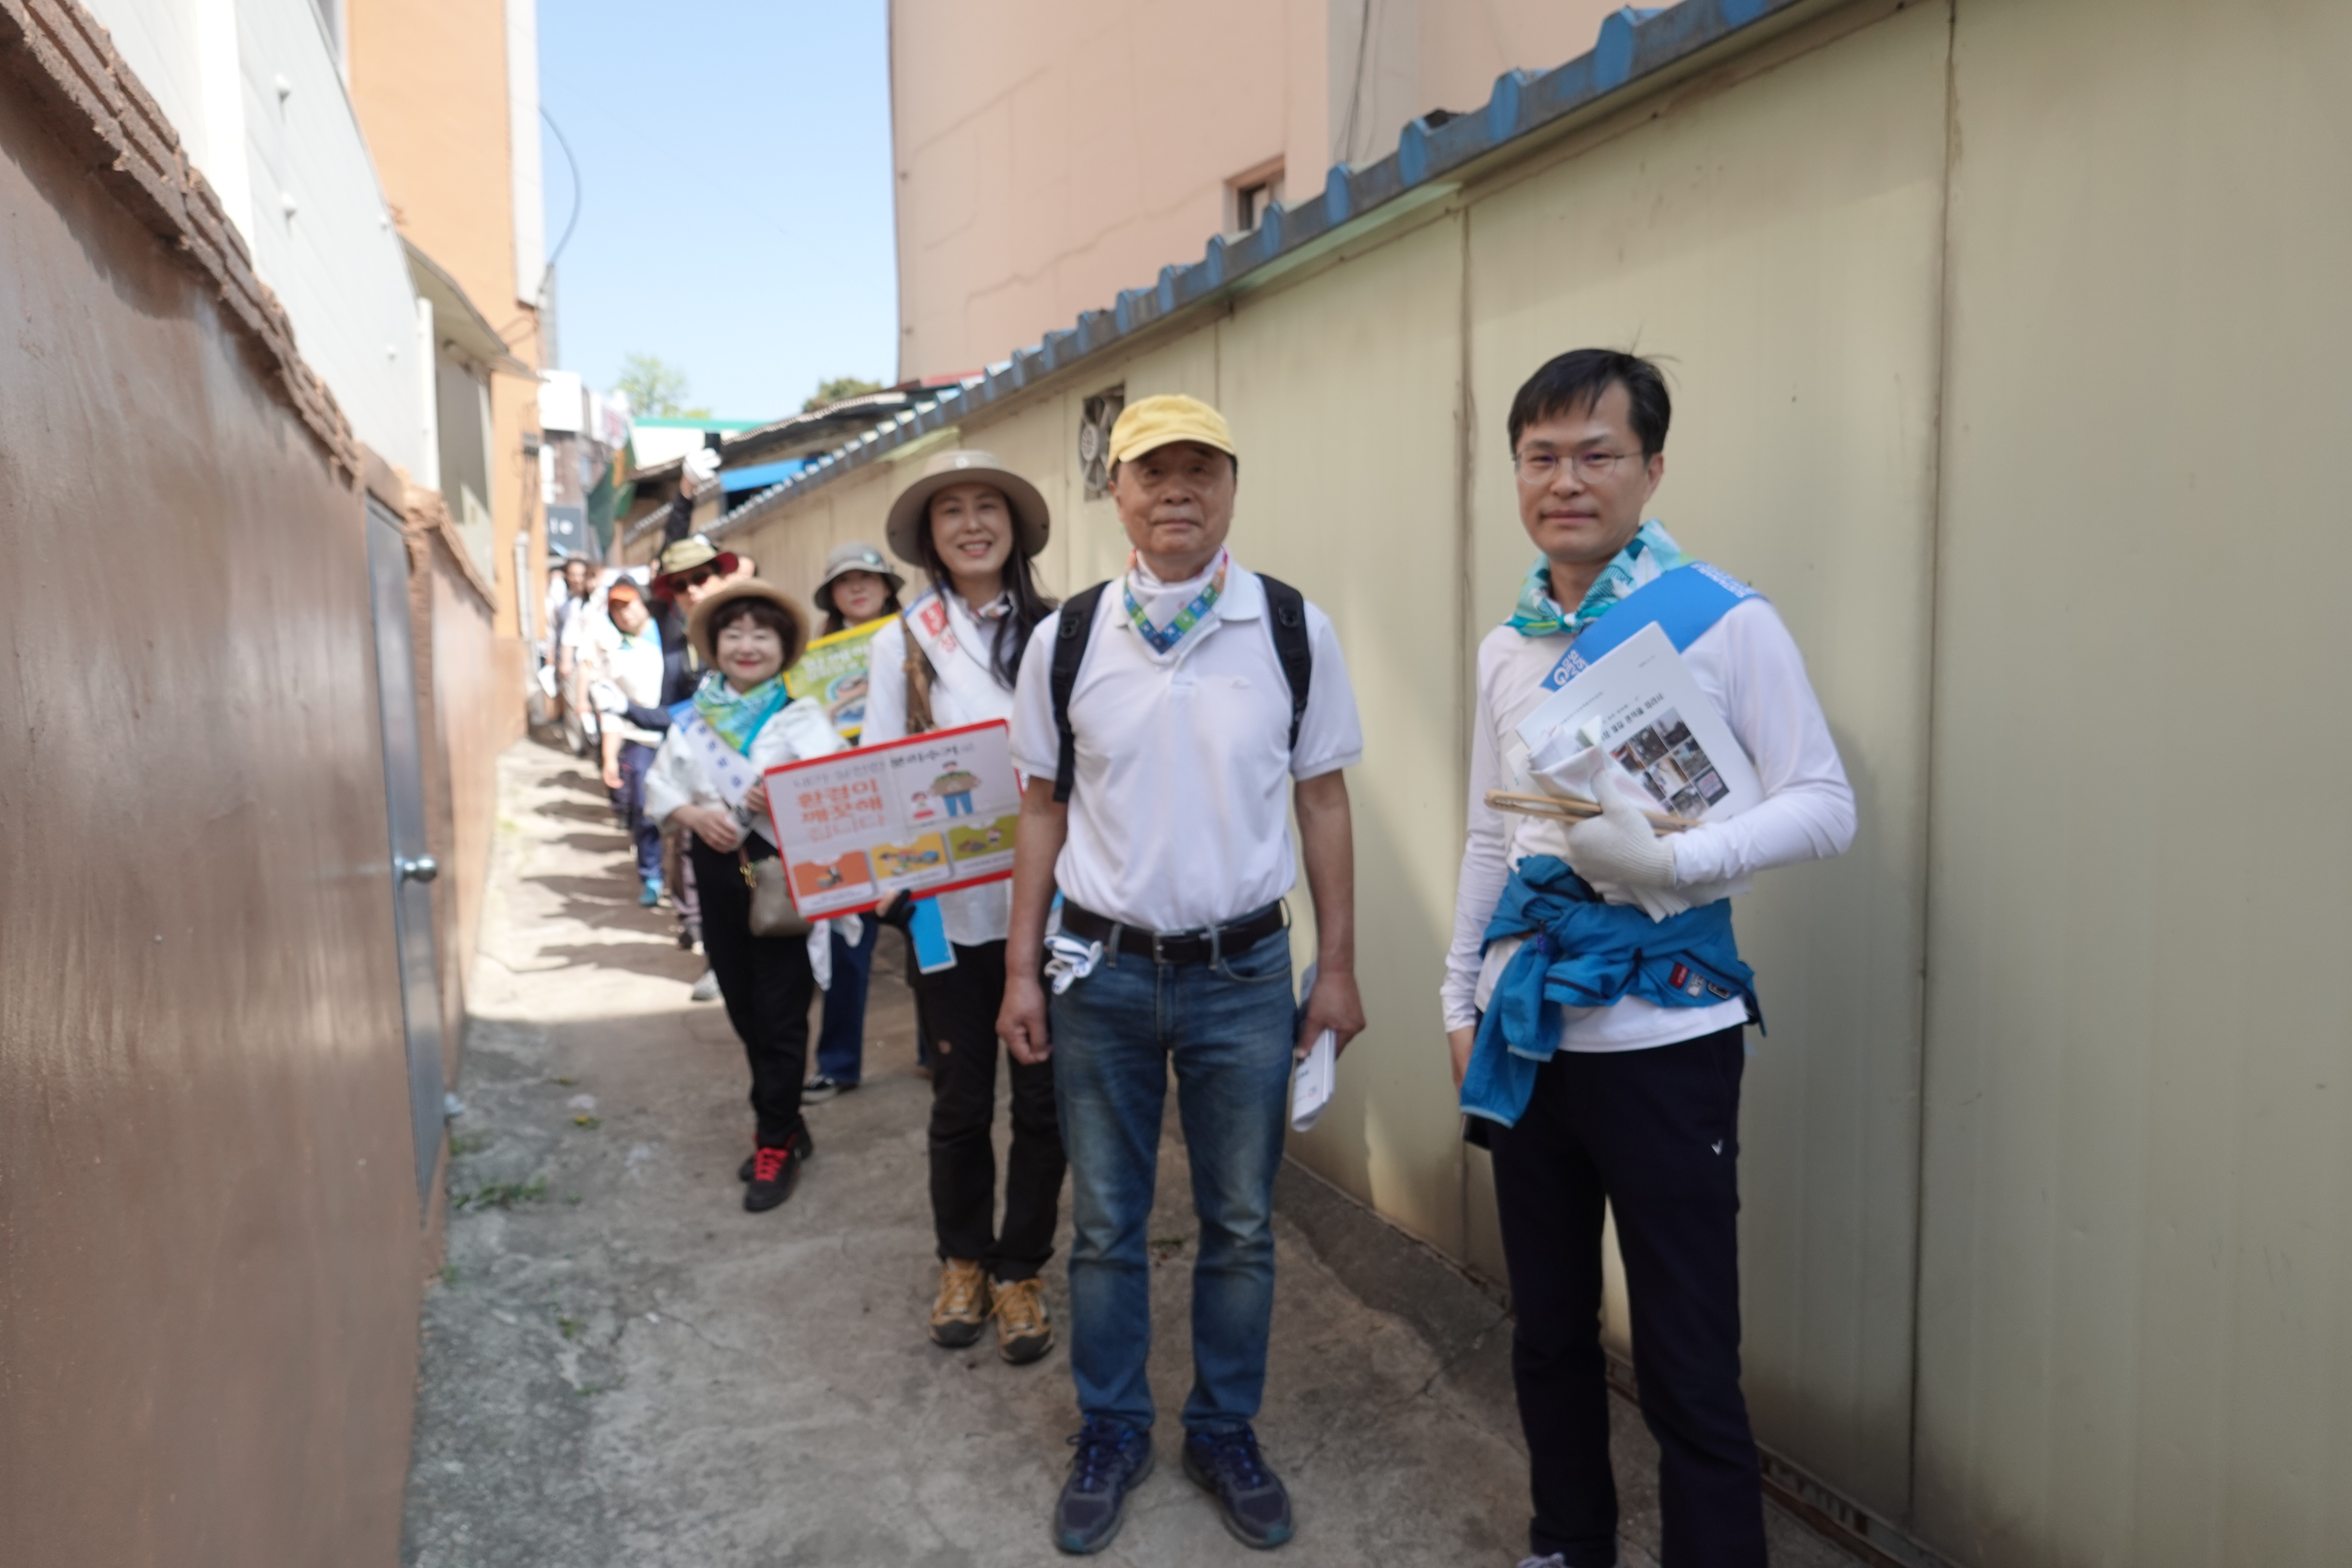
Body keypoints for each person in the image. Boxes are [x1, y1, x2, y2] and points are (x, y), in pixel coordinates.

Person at [1442, 351, 1855, 1568]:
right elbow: (1488, 835)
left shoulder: (1724, 621)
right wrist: (1457, 994)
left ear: (1652, 469)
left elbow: (1824, 804)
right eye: (1540, 457)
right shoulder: (1507, 647)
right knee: (1546, 1329)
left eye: (1596, 454)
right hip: (1526, 1028)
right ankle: (1567, 1540)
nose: (1565, 481)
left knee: (1685, 1354)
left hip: (1667, 1034)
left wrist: (1674, 860)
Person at [995, 396, 1366, 1555]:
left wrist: (1337, 967)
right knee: (1105, 1223)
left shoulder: (1290, 628)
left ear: (1232, 488)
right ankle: (1111, 1430)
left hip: (1243, 976)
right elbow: (1041, 810)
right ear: (1116, 494)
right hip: (1097, 973)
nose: (1176, 493)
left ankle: (1221, 1429)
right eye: (1152, 473)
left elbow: (1322, 800)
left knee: (1240, 1222)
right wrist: (1019, 972)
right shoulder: (1068, 640)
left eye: (1200, 471)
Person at [864, 454, 1066, 1366]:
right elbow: (878, 770)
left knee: (1044, 1102)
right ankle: (963, 1261)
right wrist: (889, 881)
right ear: (929, 538)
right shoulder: (902, 641)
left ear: (1015, 527)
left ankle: (1021, 1268)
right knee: (959, 1099)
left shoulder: (1063, 629)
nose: (973, 524)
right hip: (947, 912)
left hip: (1055, 906)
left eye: (990, 507)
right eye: (952, 512)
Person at [644, 577, 847, 1212]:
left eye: (762, 634)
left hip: (773, 870)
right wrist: (692, 815)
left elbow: (835, 787)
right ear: (715, 646)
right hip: (717, 868)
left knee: (781, 1008)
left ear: (783, 648)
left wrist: (781, 794)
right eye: (734, 634)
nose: (748, 645)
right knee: (741, 1004)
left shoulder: (801, 717)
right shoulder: (694, 718)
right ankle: (786, 1121)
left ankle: (774, 1141)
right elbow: (661, 788)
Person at [801, 541, 906, 1101]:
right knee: (847, 941)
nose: (859, 588)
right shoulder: (809, 665)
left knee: (932, 937)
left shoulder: (923, 642)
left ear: (888, 587)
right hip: (845, 815)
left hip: (914, 809)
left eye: (869, 577)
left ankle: (941, 1051)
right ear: (832, 596)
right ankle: (839, 1064)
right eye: (846, 581)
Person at [640, 536, 741, 994]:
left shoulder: (759, 618)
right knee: (712, 882)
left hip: (766, 793)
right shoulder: (675, 648)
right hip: (704, 786)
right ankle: (717, 961)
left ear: (722, 576)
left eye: (701, 577)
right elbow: (669, 712)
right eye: (681, 585)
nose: (693, 590)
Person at [585, 578, 666, 906]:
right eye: (616, 608)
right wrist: (609, 759)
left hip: (679, 737)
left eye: (629, 604)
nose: (624, 613)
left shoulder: (671, 638)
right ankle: (652, 877)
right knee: (644, 810)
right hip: (639, 740)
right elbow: (612, 712)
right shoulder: (614, 654)